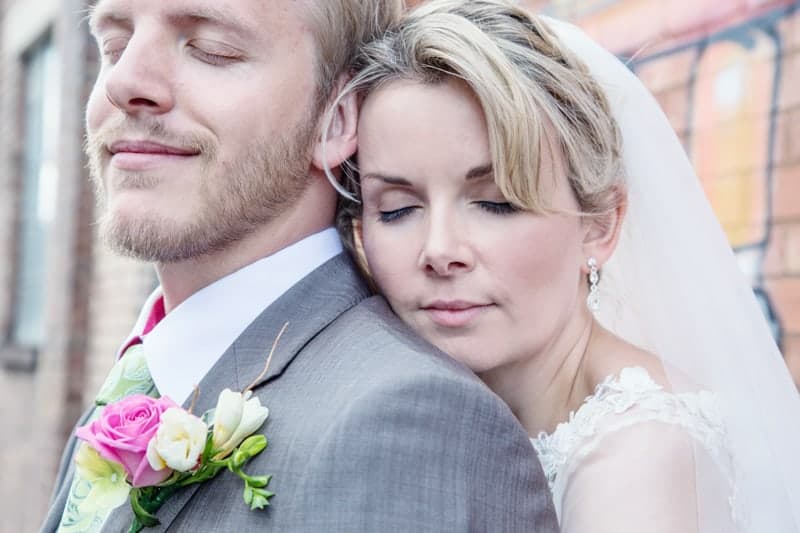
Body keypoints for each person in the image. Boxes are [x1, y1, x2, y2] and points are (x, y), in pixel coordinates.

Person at [40, 0, 560, 531]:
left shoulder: (405, 426)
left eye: (212, 50)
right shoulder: (141, 377)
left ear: (337, 118)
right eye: (115, 45)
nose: (123, 81)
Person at [330, 0, 800, 531]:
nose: (439, 250)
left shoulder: (637, 456)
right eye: (397, 209)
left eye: (496, 203)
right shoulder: (424, 427)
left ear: (599, 225)